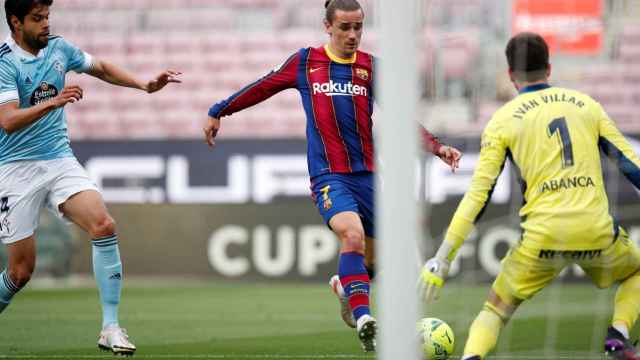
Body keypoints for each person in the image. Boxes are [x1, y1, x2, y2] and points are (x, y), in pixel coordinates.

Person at [204, 0, 461, 352]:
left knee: (379, 259)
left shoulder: (371, 68)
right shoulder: (305, 62)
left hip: (368, 178)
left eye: (358, 27)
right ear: (327, 26)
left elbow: (400, 117)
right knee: (351, 235)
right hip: (329, 176)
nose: (353, 35)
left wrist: (436, 146)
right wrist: (220, 110)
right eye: (345, 27)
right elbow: (262, 86)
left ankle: (346, 288)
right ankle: (365, 319)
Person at [419, 32, 640, 360]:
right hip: (595, 230)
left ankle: (471, 358)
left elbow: (478, 198)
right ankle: (617, 335)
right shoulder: (586, 105)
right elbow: (630, 166)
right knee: (635, 272)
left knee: (494, 311)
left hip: (542, 237)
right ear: (549, 68)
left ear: (510, 75)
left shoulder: (502, 121)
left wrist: (443, 258)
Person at [0, 0, 181, 355]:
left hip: (58, 159)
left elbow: (100, 68)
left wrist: (143, 84)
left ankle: (110, 326)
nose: (46, 25)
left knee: (103, 225)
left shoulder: (59, 48)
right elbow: (7, 120)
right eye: (38, 19)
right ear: (16, 22)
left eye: (48, 16)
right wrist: (53, 103)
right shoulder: (4, 62)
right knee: (20, 272)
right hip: (14, 168)